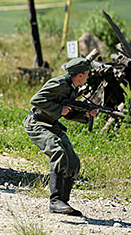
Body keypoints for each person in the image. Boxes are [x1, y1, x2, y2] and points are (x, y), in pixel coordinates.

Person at [23, 57, 97, 216]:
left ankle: (63, 202)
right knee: (58, 151)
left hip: (51, 124)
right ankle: (55, 201)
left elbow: (68, 113)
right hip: (36, 123)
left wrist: (86, 115)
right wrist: (59, 110)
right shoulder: (58, 84)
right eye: (87, 74)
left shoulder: (72, 87)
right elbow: (35, 100)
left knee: (72, 161)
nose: (88, 77)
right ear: (79, 75)